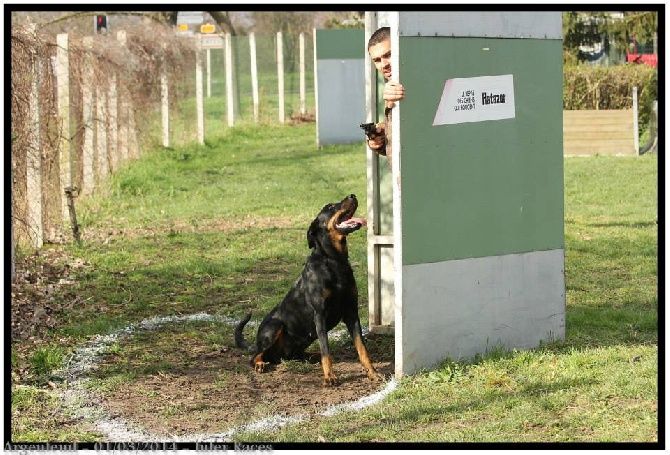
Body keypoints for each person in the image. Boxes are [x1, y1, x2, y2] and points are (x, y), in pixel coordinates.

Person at [366, 27, 405, 166]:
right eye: (377, 60)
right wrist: (381, 139)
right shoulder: (391, 85)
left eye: (388, 55)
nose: (384, 65)